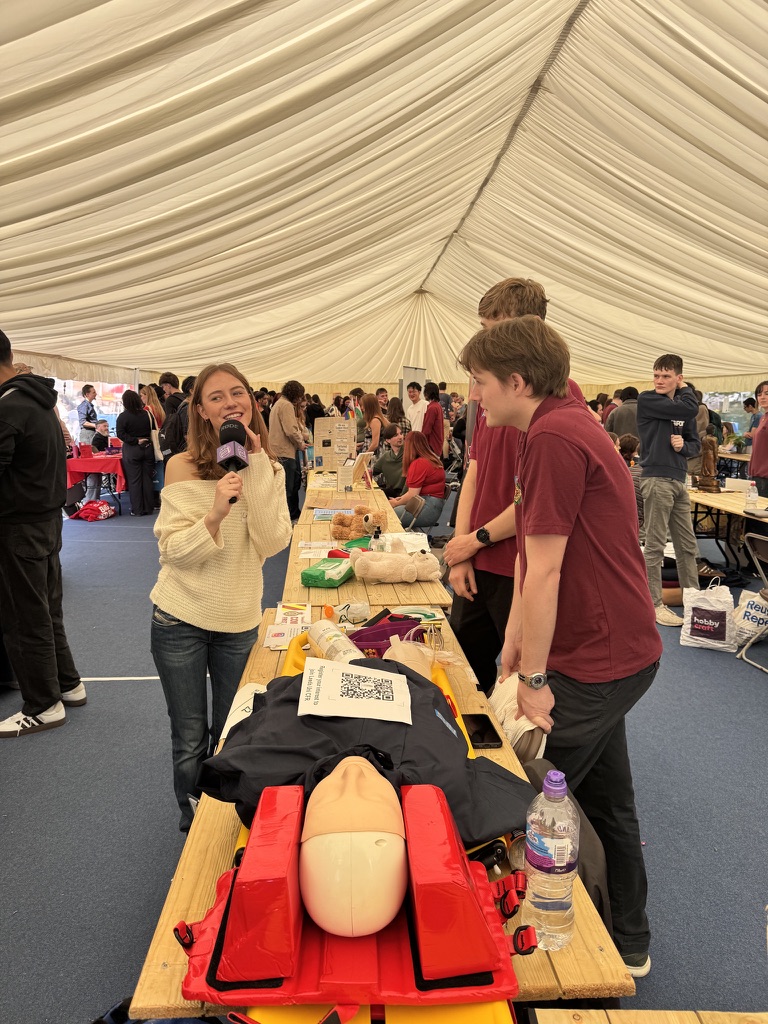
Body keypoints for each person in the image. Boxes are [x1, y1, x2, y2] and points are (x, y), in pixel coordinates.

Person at [458, 314, 661, 979]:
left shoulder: (553, 436)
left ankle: (528, 959)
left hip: (598, 657)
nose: (474, 395)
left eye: (480, 381)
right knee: (607, 798)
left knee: (519, 799)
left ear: (517, 381)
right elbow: (530, 553)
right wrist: (517, 641)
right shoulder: (550, 424)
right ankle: (630, 940)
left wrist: (535, 679)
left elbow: (544, 569)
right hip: (611, 649)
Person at [151, 362, 292, 831]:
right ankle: (193, 823)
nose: (230, 402)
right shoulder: (181, 466)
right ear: (200, 410)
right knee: (190, 735)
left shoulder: (269, 468)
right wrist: (214, 514)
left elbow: (273, 541)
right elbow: (173, 551)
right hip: (179, 619)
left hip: (239, 620)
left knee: (234, 729)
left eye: (238, 393)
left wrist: (257, 468)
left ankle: (223, 818)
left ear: (252, 401)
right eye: (216, 396)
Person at [446, 275, 581, 697]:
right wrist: (461, 548)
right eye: (483, 330)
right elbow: (474, 472)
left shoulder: (555, 402)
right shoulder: (492, 394)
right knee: (462, 676)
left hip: (518, 564)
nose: (485, 343)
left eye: (495, 330)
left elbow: (534, 500)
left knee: (516, 679)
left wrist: (476, 540)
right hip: (480, 556)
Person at [0, 329, 86, 738]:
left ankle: (42, 704)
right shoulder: (38, 401)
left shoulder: (9, 407)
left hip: (19, 526)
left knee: (24, 618)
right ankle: (67, 684)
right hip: (46, 521)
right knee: (46, 611)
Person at [636, 355, 701, 627]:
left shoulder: (682, 408)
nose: (659, 381)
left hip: (678, 480)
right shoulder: (648, 399)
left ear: (678, 377)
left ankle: (694, 603)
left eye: (665, 376)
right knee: (655, 545)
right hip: (656, 478)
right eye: (656, 375)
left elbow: (695, 444)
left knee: (687, 546)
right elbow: (689, 408)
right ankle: (654, 605)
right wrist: (685, 390)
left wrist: (683, 447)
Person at [389, 431, 446, 529]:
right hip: (432, 507)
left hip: (425, 508)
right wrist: (399, 500)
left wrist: (395, 503)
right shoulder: (432, 459)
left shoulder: (419, 464)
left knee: (388, 514)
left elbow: (412, 495)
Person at [268, 379, 307, 522]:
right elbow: (291, 430)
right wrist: (301, 443)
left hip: (277, 451)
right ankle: (289, 518)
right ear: (295, 394)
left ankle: (290, 515)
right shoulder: (286, 405)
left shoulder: (278, 404)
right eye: (299, 396)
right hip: (284, 452)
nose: (299, 400)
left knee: (286, 487)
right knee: (288, 488)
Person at [116, 390, 157, 517]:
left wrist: (134, 441)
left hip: (132, 450)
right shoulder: (147, 414)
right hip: (148, 447)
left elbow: (120, 434)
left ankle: (137, 509)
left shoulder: (123, 416)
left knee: (134, 480)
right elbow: (153, 429)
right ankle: (148, 507)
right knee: (147, 479)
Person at [373, 423, 405, 497]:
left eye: (401, 433)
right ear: (388, 440)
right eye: (396, 435)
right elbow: (372, 471)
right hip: (391, 493)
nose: (400, 437)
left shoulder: (409, 454)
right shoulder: (386, 457)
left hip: (404, 495)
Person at [750, 380, 768, 498]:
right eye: (759, 394)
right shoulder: (763, 418)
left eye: (767, 393)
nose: (762, 397)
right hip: (758, 473)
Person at [420, 382, 444, 459]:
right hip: (437, 443)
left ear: (427, 393)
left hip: (431, 444)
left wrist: (420, 442)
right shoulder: (437, 406)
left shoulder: (432, 408)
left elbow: (427, 429)